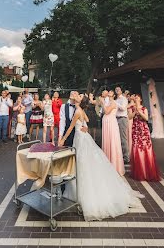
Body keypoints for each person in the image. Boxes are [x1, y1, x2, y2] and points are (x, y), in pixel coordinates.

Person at [60, 92, 144, 221]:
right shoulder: (80, 110)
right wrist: (84, 126)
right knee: (85, 162)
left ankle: (85, 194)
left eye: (80, 96)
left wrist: (63, 139)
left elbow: (71, 127)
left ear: (80, 101)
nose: (78, 96)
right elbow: (86, 120)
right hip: (83, 137)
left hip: (80, 139)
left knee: (82, 163)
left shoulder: (77, 111)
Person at [128, 94, 161, 182]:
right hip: (135, 130)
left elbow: (146, 118)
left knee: (146, 149)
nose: (136, 98)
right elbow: (129, 117)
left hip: (144, 130)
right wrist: (135, 111)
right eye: (134, 97)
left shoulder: (144, 108)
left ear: (140, 99)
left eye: (137, 97)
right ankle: (140, 172)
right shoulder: (131, 108)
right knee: (137, 149)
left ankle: (148, 172)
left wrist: (140, 111)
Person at [102, 91, 125, 175]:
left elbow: (107, 111)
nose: (109, 92)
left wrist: (103, 102)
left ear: (113, 95)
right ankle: (108, 163)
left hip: (111, 123)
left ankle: (114, 165)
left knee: (112, 141)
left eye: (111, 92)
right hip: (107, 123)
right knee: (107, 142)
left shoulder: (113, 102)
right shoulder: (108, 102)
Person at [115, 86, 129, 164]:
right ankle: (120, 156)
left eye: (118, 89)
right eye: (116, 89)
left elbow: (123, 108)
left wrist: (115, 103)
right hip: (116, 119)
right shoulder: (116, 100)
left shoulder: (123, 99)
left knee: (123, 138)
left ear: (121, 91)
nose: (117, 90)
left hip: (122, 119)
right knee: (118, 138)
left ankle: (126, 157)